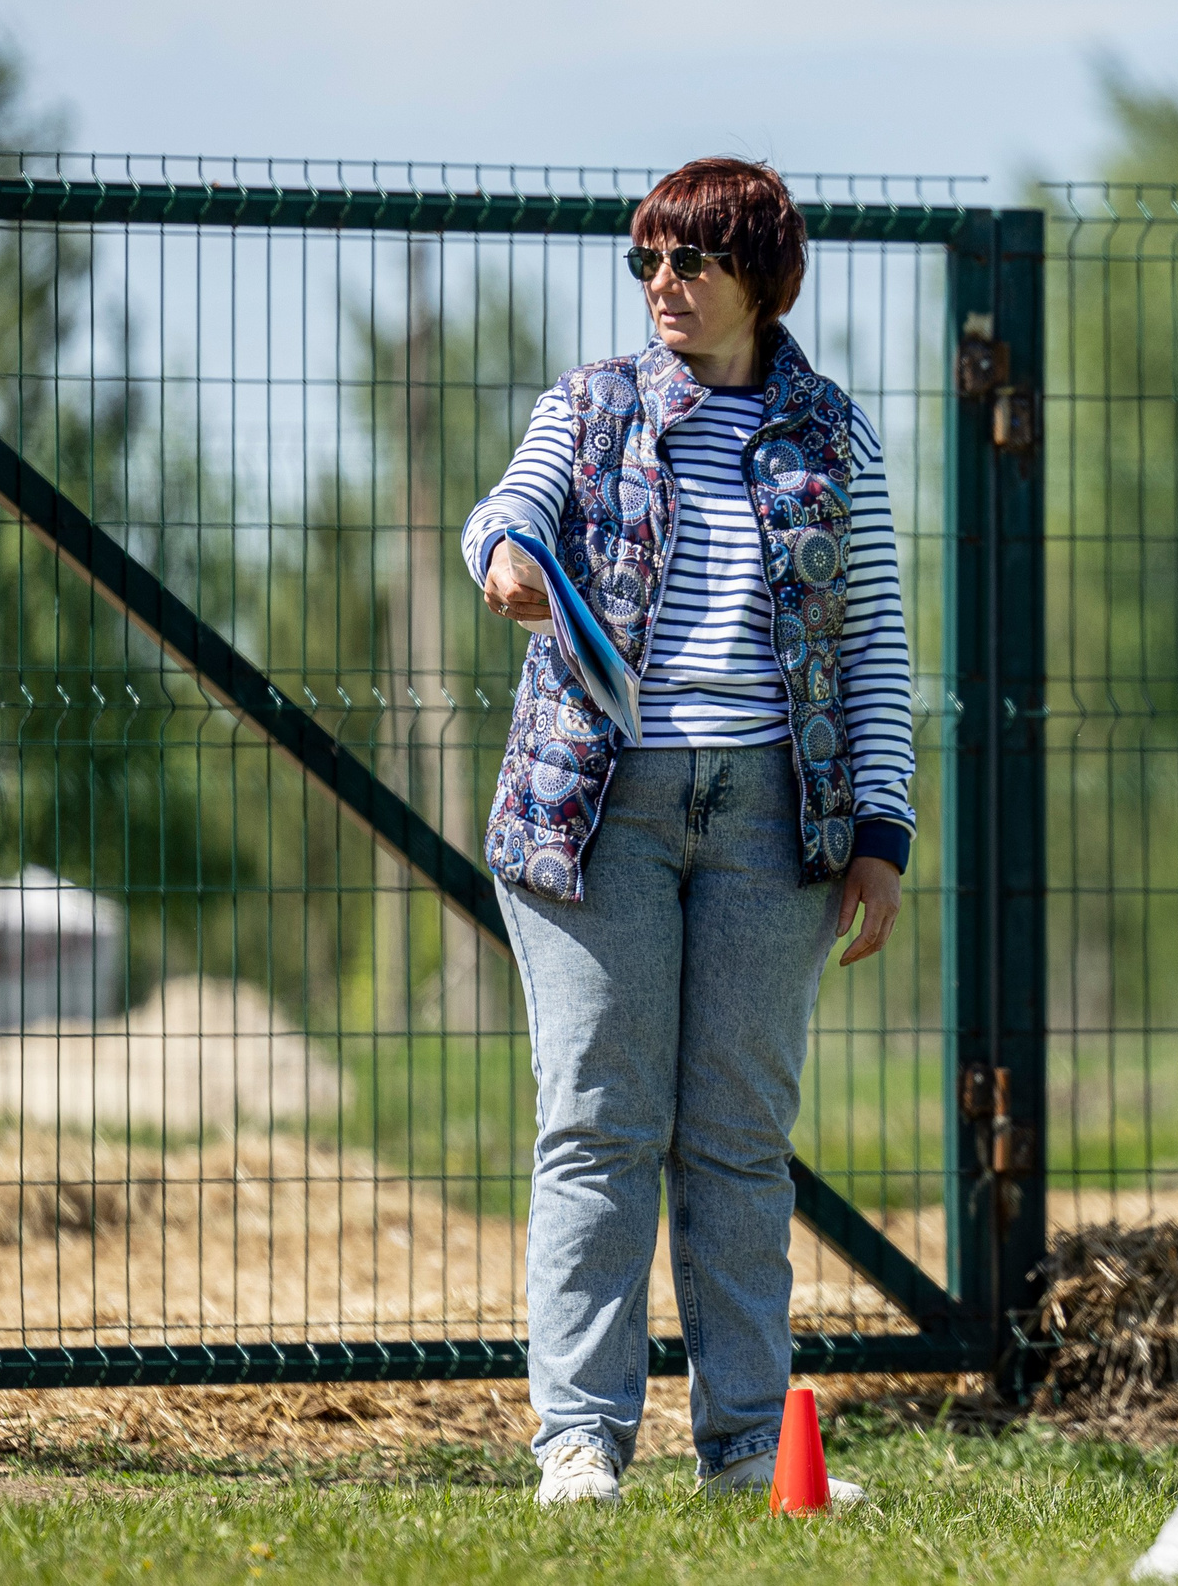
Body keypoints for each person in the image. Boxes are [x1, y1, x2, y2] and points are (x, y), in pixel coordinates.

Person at [462, 157, 913, 1507]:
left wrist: (879, 833)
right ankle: (580, 1440)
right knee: (598, 1119)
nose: (665, 284)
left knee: (736, 1134)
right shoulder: (589, 403)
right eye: (649, 261)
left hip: (776, 815)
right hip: (598, 809)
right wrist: (508, 555)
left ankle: (745, 1449)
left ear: (759, 279)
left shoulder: (834, 433)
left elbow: (877, 643)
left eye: (693, 261)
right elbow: (513, 504)